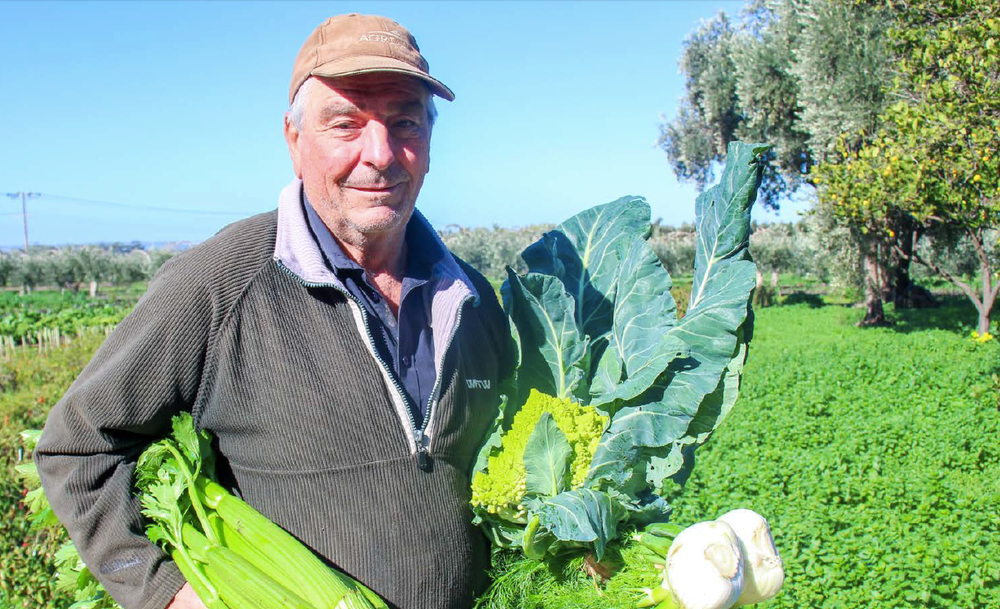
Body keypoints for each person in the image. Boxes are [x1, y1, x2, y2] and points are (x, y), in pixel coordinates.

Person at [36, 13, 513, 609]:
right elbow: (77, 445)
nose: (381, 153)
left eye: (404, 122)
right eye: (346, 124)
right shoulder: (219, 284)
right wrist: (167, 593)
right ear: (294, 141)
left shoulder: (471, 298)